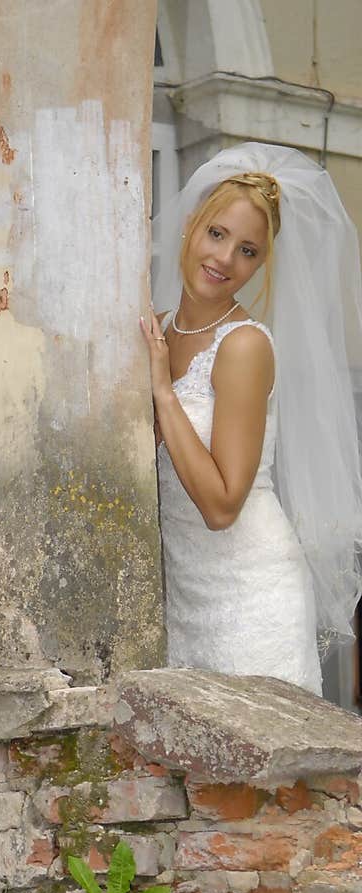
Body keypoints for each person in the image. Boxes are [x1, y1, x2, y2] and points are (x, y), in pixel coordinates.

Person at [141, 141, 362, 696]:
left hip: (251, 594)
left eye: (247, 251)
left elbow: (221, 506)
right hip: (185, 592)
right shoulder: (156, 330)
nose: (223, 260)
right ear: (191, 225)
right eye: (217, 234)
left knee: (272, 783)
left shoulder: (243, 346)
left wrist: (164, 395)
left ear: (260, 264)